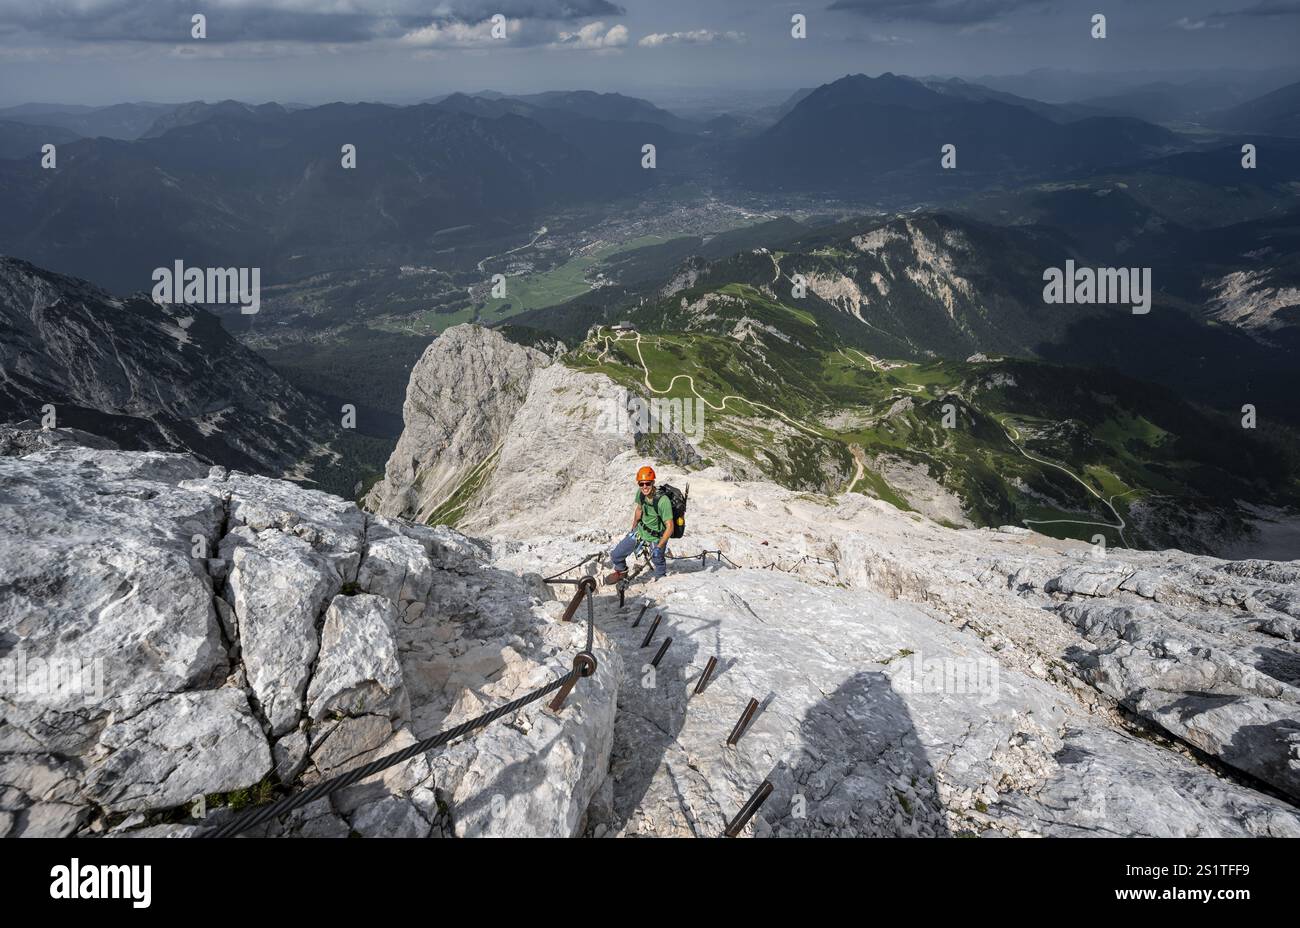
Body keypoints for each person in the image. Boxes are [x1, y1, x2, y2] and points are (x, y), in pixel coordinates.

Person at [606, 465, 673, 583]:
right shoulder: (641, 493)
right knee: (616, 555)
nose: (644, 486)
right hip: (641, 531)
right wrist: (633, 528)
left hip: (656, 536)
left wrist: (659, 546)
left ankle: (660, 578)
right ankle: (621, 572)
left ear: (653, 482)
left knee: (657, 559)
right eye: (641, 484)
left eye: (647, 483)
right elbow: (639, 510)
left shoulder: (663, 501)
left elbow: (670, 527)